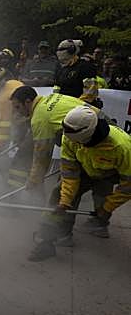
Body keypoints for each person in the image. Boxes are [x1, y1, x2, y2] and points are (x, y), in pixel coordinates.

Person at [28, 106, 131, 261]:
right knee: (59, 195)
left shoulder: (122, 147)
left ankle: (100, 223)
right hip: (82, 169)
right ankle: (50, 239)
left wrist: (108, 207)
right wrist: (64, 202)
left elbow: (128, 186)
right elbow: (69, 175)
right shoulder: (69, 137)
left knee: (101, 209)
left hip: (108, 175)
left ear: (86, 135)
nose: (67, 139)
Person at [10, 86, 104, 200]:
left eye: (18, 107)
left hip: (94, 140)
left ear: (28, 102)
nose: (17, 111)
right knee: (92, 184)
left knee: (62, 191)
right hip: (102, 127)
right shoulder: (52, 97)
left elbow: (42, 155)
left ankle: (60, 215)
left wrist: (33, 180)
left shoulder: (40, 118)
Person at [54, 39, 98, 105]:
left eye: (62, 49)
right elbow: (57, 89)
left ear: (72, 50)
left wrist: (78, 105)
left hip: (80, 107)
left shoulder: (85, 66)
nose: (59, 52)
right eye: (58, 50)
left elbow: (90, 91)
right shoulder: (61, 70)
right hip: (63, 106)